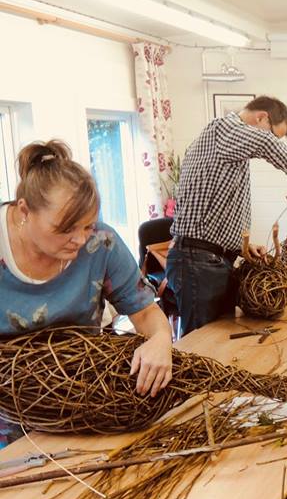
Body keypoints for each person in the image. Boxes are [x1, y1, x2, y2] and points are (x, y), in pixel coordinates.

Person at [0, 140, 173, 445]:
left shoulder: (101, 242)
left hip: (83, 402)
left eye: (87, 226)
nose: (80, 240)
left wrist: (161, 340)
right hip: (8, 415)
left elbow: (144, 310)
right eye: (66, 228)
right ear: (24, 210)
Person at [166, 96, 287, 335]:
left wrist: (240, 245)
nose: (274, 141)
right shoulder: (224, 130)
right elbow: (265, 142)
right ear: (261, 117)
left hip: (210, 259)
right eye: (275, 134)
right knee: (199, 347)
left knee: (220, 342)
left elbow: (215, 207)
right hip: (197, 261)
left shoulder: (229, 146)